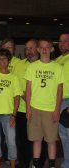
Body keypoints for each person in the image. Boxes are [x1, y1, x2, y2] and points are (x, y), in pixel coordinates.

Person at [25, 39, 63, 168]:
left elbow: (60, 90)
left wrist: (57, 109)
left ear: (52, 49)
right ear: (38, 49)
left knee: (51, 140)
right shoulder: (32, 67)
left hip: (50, 109)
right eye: (42, 47)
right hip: (35, 108)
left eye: (47, 47)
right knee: (36, 139)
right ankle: (35, 164)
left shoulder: (58, 67)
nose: (44, 49)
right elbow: (28, 89)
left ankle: (52, 165)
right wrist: (28, 108)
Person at [13, 39, 39, 168]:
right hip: (22, 109)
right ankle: (24, 163)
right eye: (27, 48)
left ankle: (37, 163)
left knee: (38, 139)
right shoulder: (19, 64)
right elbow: (15, 84)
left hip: (39, 109)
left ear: (38, 49)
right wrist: (24, 97)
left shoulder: (43, 65)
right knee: (22, 139)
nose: (29, 51)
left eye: (31, 48)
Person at [56, 33, 69, 168]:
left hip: (68, 101)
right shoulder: (58, 60)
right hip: (59, 102)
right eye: (60, 41)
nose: (62, 43)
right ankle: (66, 162)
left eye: (66, 41)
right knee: (64, 136)